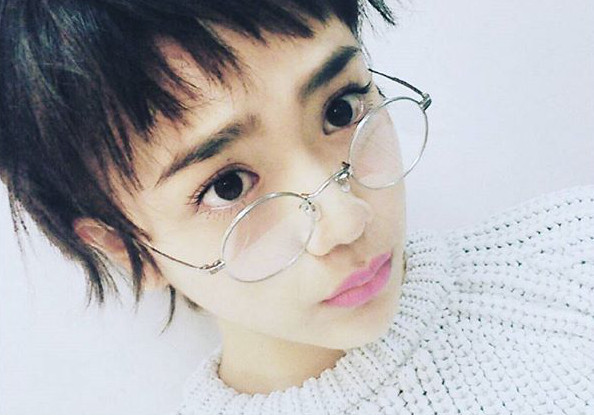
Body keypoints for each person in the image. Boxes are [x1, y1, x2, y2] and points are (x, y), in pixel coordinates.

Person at [0, 1, 592, 414]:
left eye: (340, 109)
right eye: (228, 185)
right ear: (126, 248)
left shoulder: (573, 256)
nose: (346, 220)